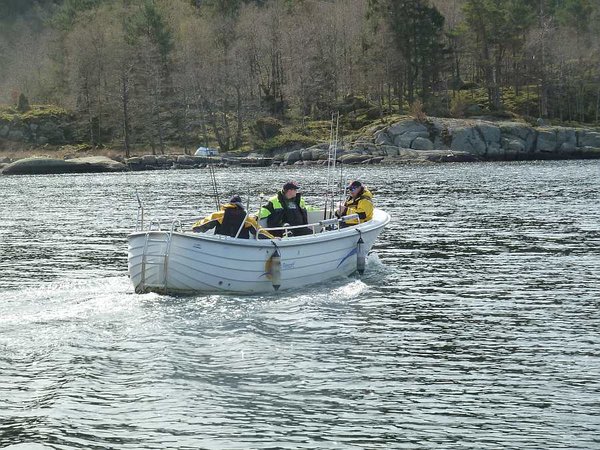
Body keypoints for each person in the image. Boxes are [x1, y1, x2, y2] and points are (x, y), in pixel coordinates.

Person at [192, 195, 274, 239]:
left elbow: (203, 225)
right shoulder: (247, 218)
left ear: (229, 204)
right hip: (240, 245)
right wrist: (273, 238)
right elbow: (259, 231)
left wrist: (194, 227)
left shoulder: (219, 215)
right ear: (240, 205)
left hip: (222, 244)